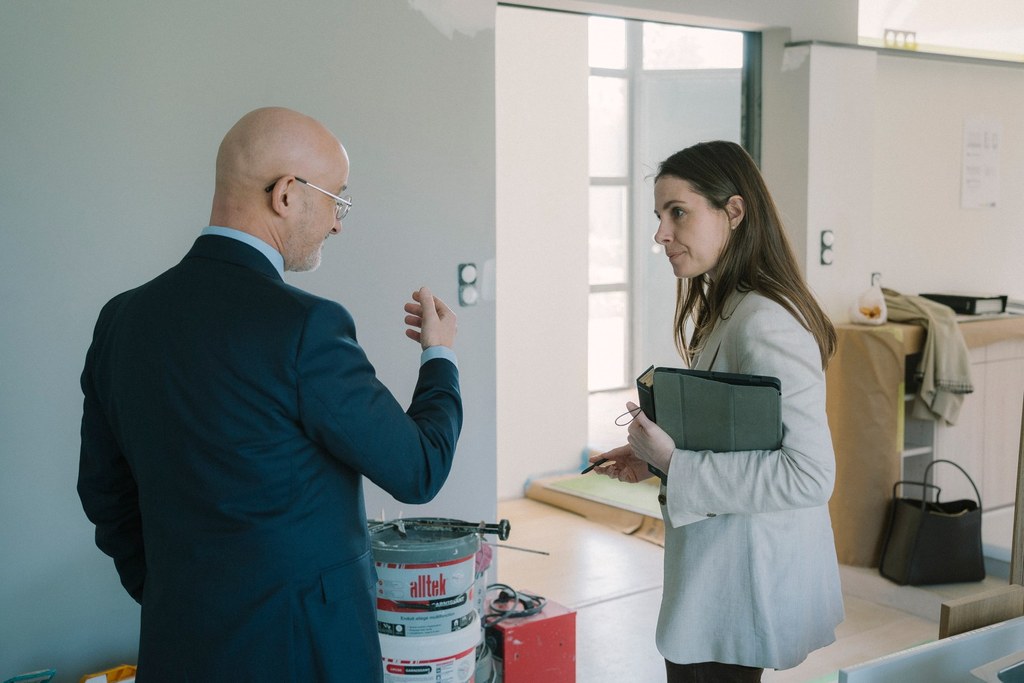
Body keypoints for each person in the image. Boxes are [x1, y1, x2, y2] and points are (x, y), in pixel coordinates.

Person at [77, 107, 463, 682]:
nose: (337, 224)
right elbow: (418, 468)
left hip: (179, 646)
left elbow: (104, 496)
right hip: (308, 656)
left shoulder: (122, 317)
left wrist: (174, 597)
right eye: (339, 201)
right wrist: (439, 355)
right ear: (286, 194)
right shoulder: (307, 327)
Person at [588, 140, 843, 683]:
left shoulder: (764, 322)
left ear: (733, 211)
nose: (660, 234)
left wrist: (677, 464)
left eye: (677, 212)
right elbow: (739, 437)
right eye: (659, 216)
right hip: (715, 577)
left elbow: (810, 474)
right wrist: (653, 460)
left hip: (739, 581)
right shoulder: (730, 307)